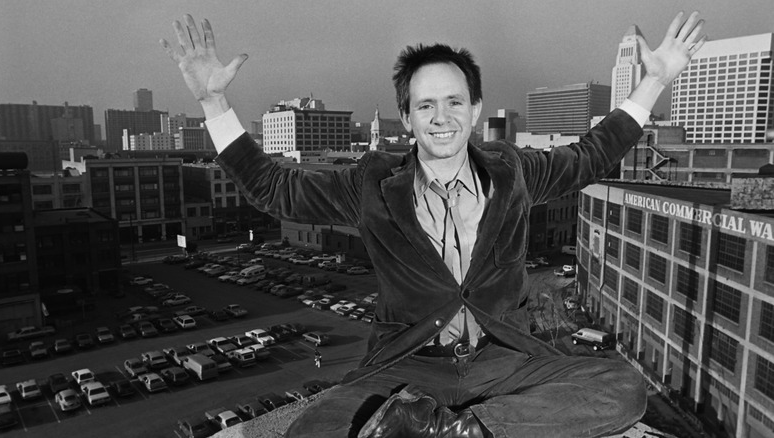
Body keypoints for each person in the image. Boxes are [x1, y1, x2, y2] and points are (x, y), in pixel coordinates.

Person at [161, 11, 705, 438]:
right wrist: (214, 102)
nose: (441, 117)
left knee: (622, 387)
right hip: (407, 366)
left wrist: (653, 83)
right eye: (426, 106)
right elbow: (274, 188)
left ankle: (465, 431)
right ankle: (441, 424)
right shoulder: (370, 185)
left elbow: (590, 155)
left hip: (503, 359)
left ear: (475, 109)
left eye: (453, 102)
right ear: (408, 117)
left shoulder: (515, 172)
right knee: (312, 429)